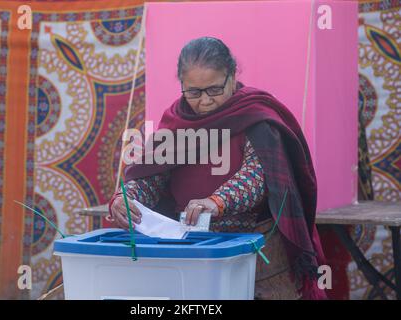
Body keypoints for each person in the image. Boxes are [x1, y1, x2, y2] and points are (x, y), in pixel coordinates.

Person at [109, 37, 327, 300]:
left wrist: (217, 202)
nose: (204, 101)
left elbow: (257, 177)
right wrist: (127, 198)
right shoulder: (176, 124)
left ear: (232, 77)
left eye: (214, 89)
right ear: (182, 85)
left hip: (259, 250)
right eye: (193, 92)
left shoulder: (256, 115)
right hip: (192, 250)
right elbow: (151, 177)